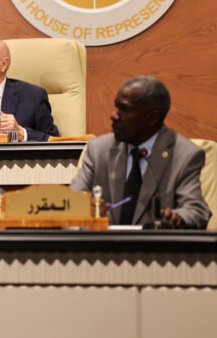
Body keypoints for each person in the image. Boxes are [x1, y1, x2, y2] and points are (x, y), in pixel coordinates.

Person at [70, 76, 211, 228]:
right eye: (116, 107)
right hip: (104, 242)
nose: (113, 115)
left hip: (155, 242)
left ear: (152, 117)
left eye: (124, 109)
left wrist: (177, 218)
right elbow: (69, 202)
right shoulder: (98, 150)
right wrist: (86, 209)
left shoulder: (185, 155)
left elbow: (195, 210)